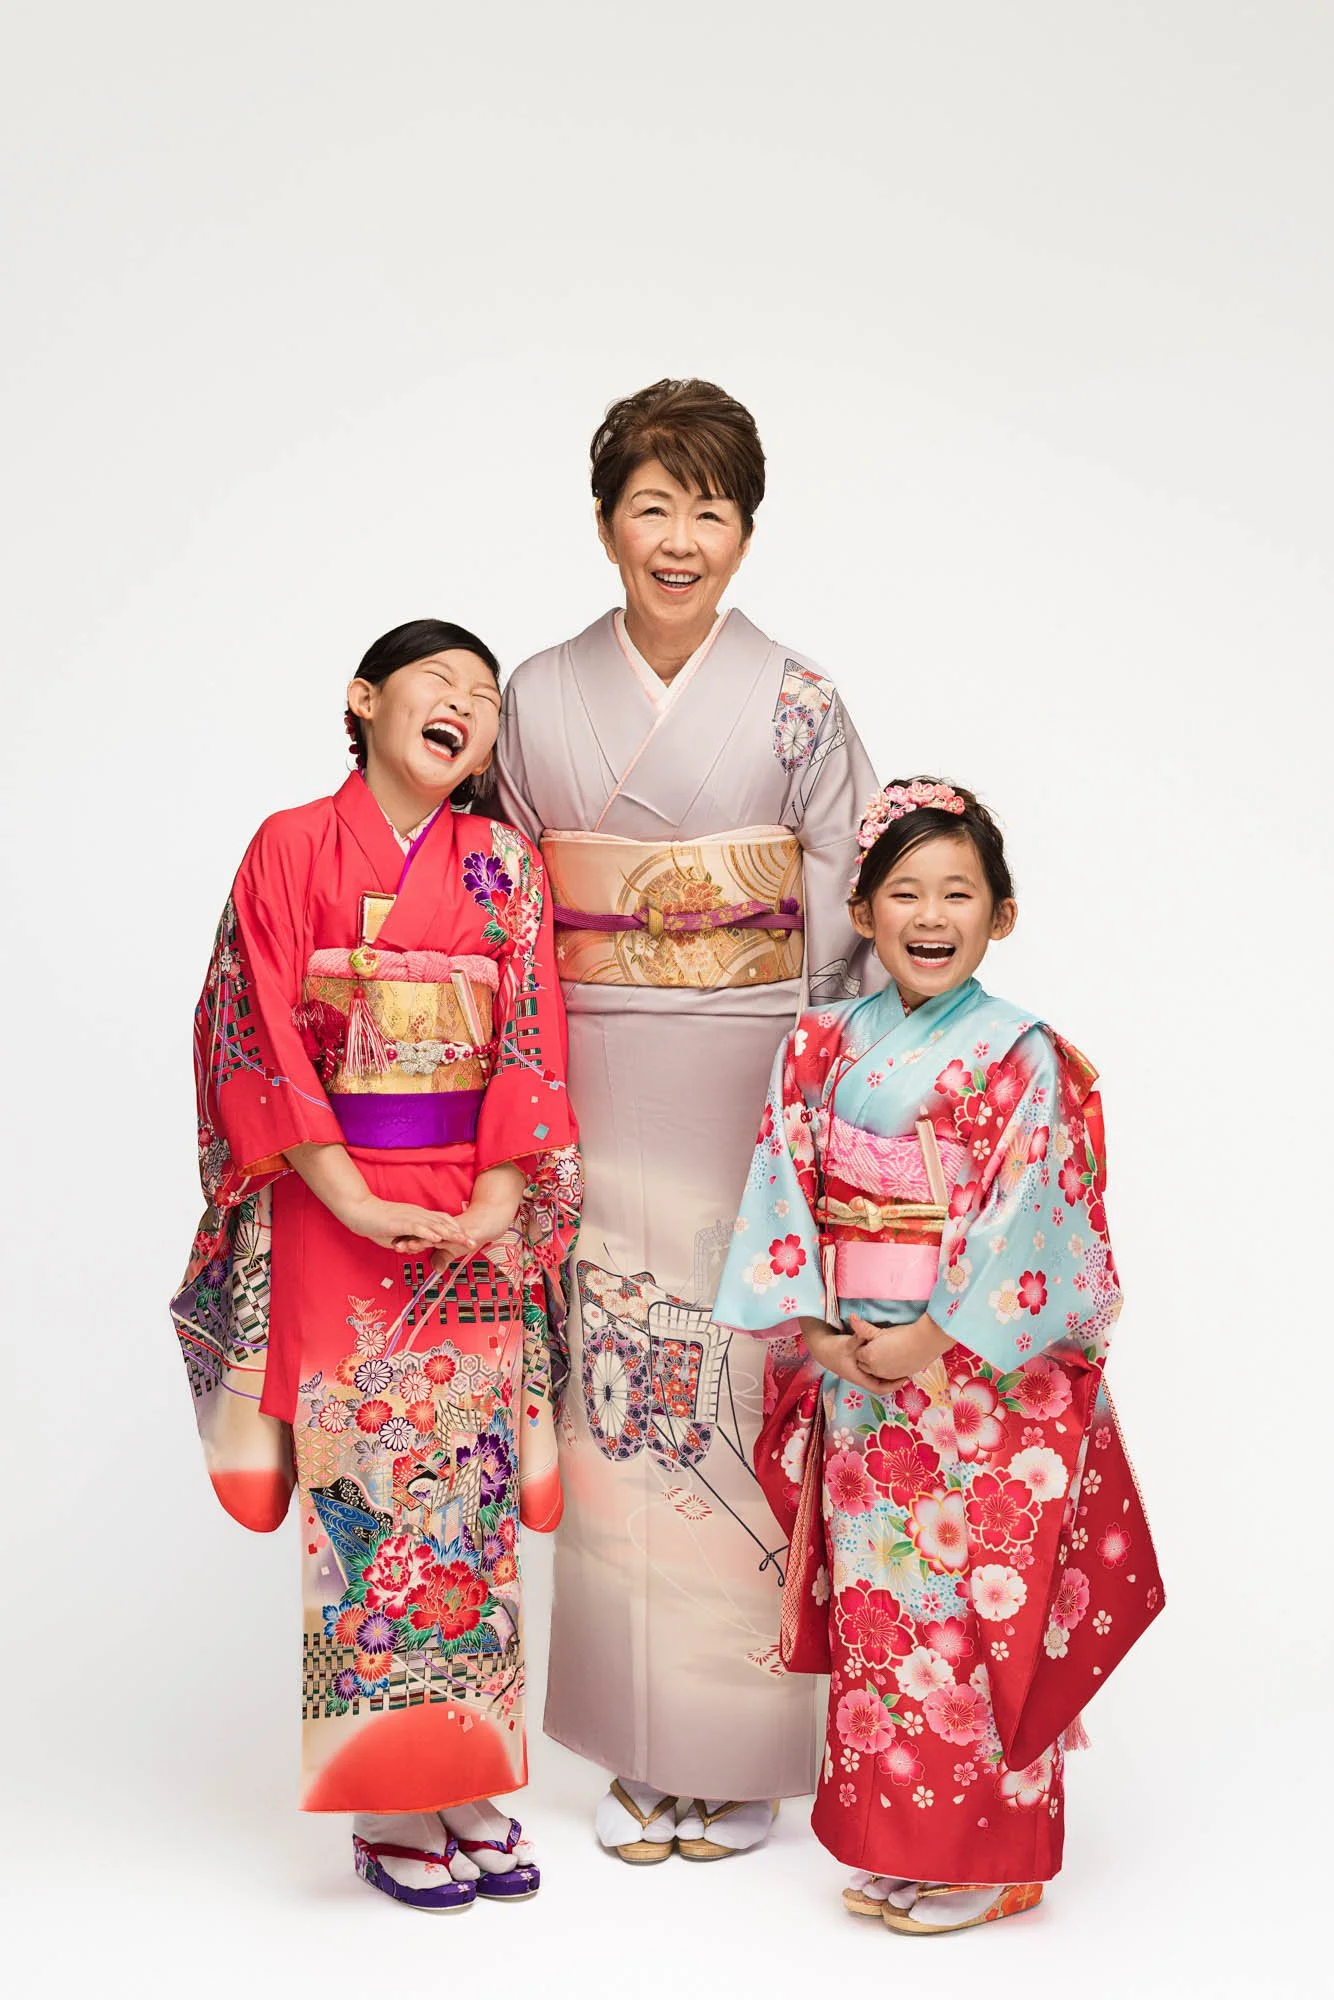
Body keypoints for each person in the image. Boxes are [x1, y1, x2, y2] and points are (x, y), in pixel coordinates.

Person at [495, 378, 882, 1863]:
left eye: (707, 510)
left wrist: (820, 1081)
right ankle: (638, 1743)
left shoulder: (794, 697)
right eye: (650, 506)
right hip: (586, 1065)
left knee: (736, 1386)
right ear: (604, 525)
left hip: (748, 1072)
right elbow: (507, 903)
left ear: (744, 531)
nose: (679, 538)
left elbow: (846, 897)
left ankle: (735, 1745)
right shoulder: (537, 693)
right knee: (613, 1389)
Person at [170, 620, 580, 1912]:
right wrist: (340, 1184)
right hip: (332, 1206)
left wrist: (502, 1194)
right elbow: (249, 1025)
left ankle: (465, 1776)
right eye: (438, 684)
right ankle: (387, 1803)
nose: (465, 706)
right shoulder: (289, 846)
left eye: (484, 698)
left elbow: (530, 1036)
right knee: (369, 1506)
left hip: (468, 1213)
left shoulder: (503, 867)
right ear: (363, 700)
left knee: (459, 1508)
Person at [713, 777, 1162, 1933]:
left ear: (997, 914)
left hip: (975, 1380)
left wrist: (929, 1334)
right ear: (861, 911)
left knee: (977, 1610)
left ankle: (992, 1855)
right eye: (901, 889)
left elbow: (1035, 1215)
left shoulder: (1019, 1053)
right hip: (858, 1368)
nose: (929, 912)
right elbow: (781, 1184)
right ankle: (901, 1839)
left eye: (956, 890)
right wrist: (814, 1325)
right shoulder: (818, 1042)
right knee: (881, 1613)